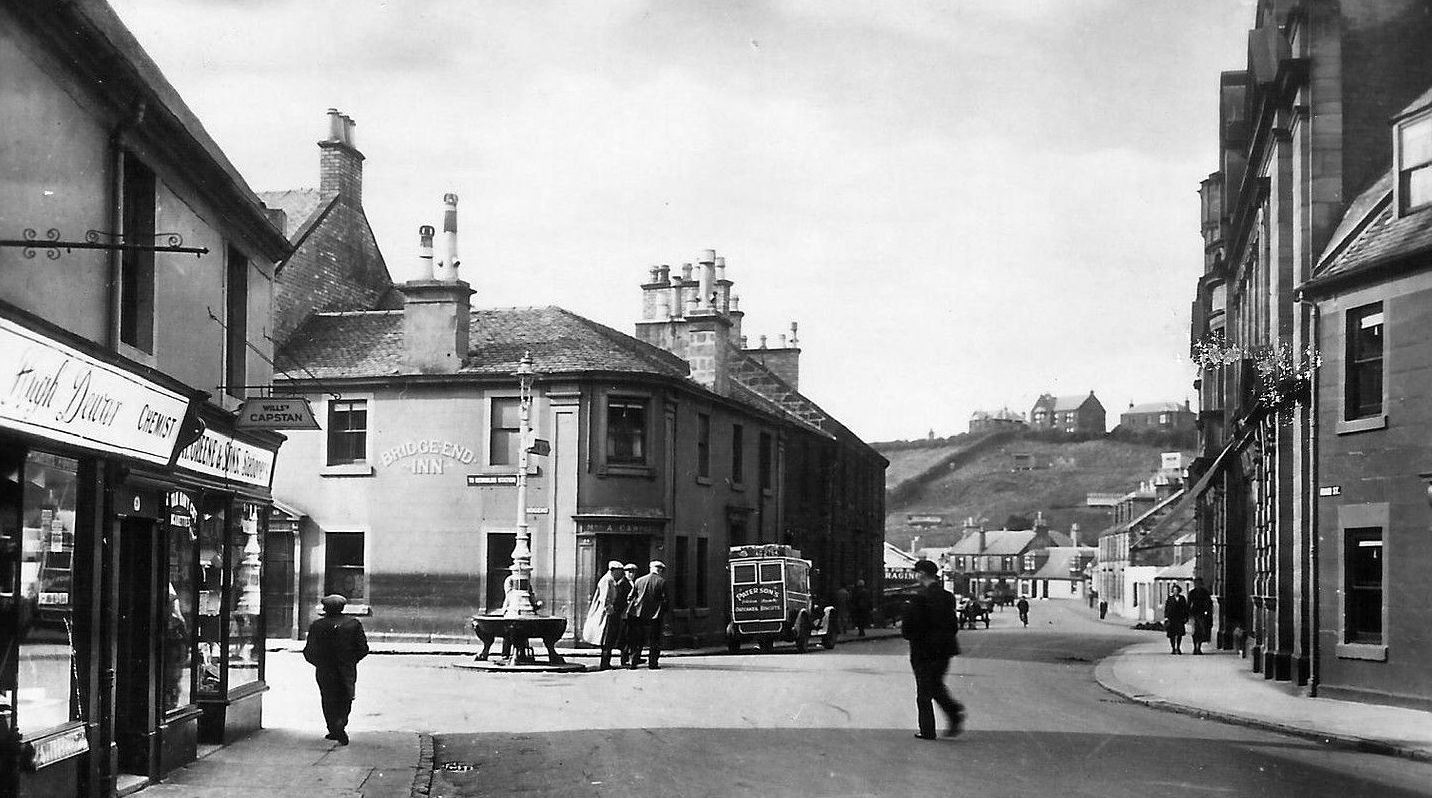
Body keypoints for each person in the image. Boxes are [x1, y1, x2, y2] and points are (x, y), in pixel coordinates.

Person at [901, 560, 965, 740]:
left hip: (923, 651)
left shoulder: (918, 599)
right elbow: (953, 626)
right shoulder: (947, 597)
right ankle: (954, 712)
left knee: (924, 692)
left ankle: (927, 730)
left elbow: (908, 629)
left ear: (921, 574)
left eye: (916, 573)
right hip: (944, 650)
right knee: (935, 685)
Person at [302, 594, 369, 745]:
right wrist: (351, 661)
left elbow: (309, 651)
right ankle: (339, 725)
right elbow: (363, 648)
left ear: (326, 608)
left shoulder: (318, 626)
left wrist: (320, 663)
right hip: (346, 668)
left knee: (328, 698)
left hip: (325, 669)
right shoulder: (353, 624)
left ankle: (334, 727)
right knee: (346, 696)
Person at [583, 561, 628, 670]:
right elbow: (604, 598)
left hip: (608, 614)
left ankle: (606, 662)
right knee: (606, 639)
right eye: (619, 571)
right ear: (613, 570)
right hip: (606, 615)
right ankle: (605, 663)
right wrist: (609, 609)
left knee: (609, 639)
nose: (621, 574)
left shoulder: (611, 580)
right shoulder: (607, 580)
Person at [625, 561, 670, 670]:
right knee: (654, 640)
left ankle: (633, 662)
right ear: (660, 570)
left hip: (638, 615)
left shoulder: (639, 580)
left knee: (637, 640)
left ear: (651, 568)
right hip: (655, 616)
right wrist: (663, 612)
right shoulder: (662, 582)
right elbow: (665, 600)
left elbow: (630, 597)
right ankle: (652, 663)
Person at [1187, 577, 1214, 655]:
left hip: (1202, 614)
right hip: (1194, 614)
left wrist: (1208, 612)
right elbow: (1188, 604)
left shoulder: (1205, 593)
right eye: (1196, 583)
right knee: (1194, 632)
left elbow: (1209, 604)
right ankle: (1195, 647)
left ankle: (1199, 647)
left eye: (1199, 583)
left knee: (1201, 631)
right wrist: (1188, 614)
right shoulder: (1192, 593)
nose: (1197, 585)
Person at [1163, 584, 1190, 655]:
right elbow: (1167, 608)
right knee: (1172, 635)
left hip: (1179, 619)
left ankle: (1178, 647)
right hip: (1172, 619)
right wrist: (1166, 617)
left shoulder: (1182, 598)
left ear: (1179, 591)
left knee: (1179, 634)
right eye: (1174, 590)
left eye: (1177, 590)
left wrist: (1186, 617)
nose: (1175, 592)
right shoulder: (1170, 599)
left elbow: (1185, 608)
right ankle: (1173, 648)